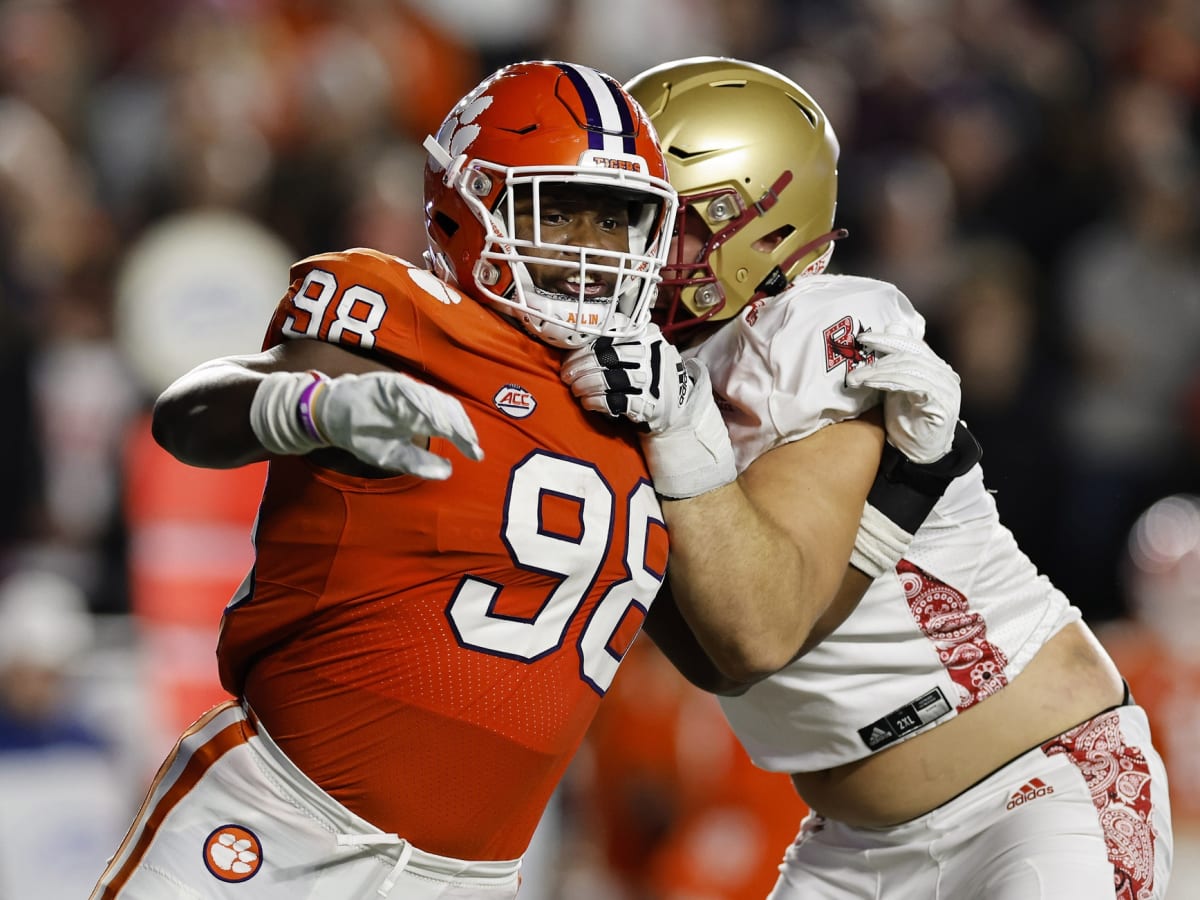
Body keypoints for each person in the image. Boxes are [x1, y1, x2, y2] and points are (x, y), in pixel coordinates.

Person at [561, 57, 1173, 899]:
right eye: (626, 216)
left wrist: (675, 437)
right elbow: (715, 658)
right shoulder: (637, 368)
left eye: (671, 221)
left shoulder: (813, 332)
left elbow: (757, 630)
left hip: (1034, 789)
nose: (637, 250)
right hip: (853, 844)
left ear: (764, 227)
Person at [89, 60, 683, 900]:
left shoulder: (651, 398)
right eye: (559, 208)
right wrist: (314, 408)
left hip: (477, 878)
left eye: (617, 217)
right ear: (463, 202)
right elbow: (188, 414)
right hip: (282, 833)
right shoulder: (395, 311)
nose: (590, 243)